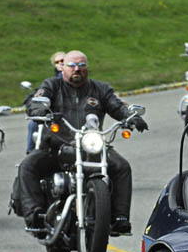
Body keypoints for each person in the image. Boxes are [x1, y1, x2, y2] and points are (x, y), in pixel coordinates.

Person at [18, 50, 149, 234]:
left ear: (87, 68)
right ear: (63, 67)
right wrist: (41, 110)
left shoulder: (100, 89)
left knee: (122, 167)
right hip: (57, 146)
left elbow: (117, 106)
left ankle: (119, 218)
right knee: (27, 165)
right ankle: (35, 214)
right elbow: (38, 100)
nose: (76, 69)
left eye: (81, 65)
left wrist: (131, 116)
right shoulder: (52, 85)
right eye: (72, 65)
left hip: (91, 146)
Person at [25, 51, 65, 153]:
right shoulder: (50, 83)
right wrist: (38, 111)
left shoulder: (81, 82)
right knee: (33, 123)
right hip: (54, 117)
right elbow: (37, 96)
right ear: (55, 66)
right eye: (57, 62)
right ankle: (31, 152)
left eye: (63, 60)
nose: (60, 63)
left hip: (74, 117)